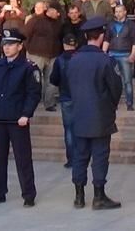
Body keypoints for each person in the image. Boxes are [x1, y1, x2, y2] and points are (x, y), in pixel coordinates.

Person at [0, 28, 41, 207]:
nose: (7, 48)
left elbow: (33, 93)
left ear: (20, 46)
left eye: (11, 44)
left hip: (17, 120)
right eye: (5, 44)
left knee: (23, 159)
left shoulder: (28, 67)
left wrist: (26, 114)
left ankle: (28, 194)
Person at [67, 17, 123, 210]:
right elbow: (116, 88)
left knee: (79, 155)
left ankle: (79, 196)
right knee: (99, 156)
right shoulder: (106, 60)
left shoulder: (73, 60)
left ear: (85, 36)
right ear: (101, 36)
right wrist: (111, 106)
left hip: (79, 113)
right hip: (100, 115)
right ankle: (99, 196)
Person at [23, 0, 62, 112]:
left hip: (53, 54)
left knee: (51, 80)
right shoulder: (35, 20)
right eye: (57, 12)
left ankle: (49, 103)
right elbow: (25, 35)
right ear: (50, 10)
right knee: (33, 78)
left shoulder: (57, 22)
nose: (58, 14)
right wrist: (29, 49)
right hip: (36, 54)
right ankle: (30, 101)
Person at [50, 35, 78, 169]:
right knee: (81, 127)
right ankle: (82, 156)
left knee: (69, 129)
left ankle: (71, 159)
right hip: (81, 97)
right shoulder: (80, 58)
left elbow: (53, 79)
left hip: (66, 97)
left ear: (64, 45)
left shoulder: (59, 60)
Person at [103, 5, 135, 111]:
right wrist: (103, 52)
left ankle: (129, 103)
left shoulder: (131, 25)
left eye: (120, 11)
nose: (118, 13)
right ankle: (113, 103)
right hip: (112, 55)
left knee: (127, 80)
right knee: (112, 80)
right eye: (116, 11)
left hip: (125, 55)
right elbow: (107, 39)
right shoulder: (111, 24)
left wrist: (133, 54)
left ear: (125, 12)